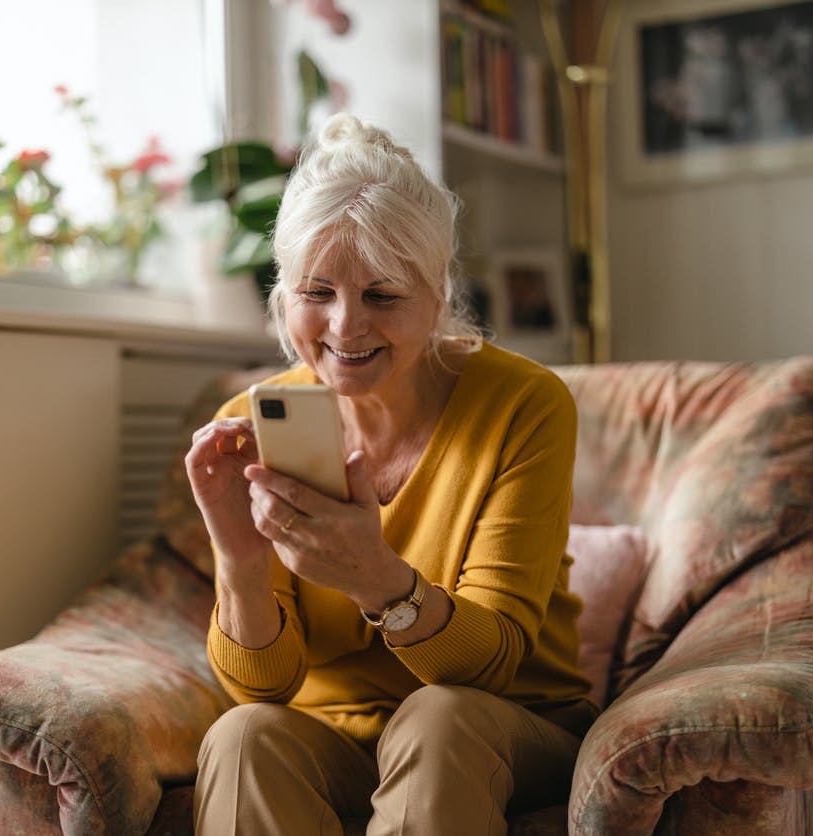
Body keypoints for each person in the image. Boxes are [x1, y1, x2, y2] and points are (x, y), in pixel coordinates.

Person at [185, 113, 596, 835]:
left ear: (437, 298)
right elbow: (264, 686)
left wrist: (376, 577)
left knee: (438, 719)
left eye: (382, 295)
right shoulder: (256, 419)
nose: (345, 328)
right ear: (283, 299)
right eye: (317, 293)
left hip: (505, 724)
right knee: (242, 736)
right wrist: (242, 563)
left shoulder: (524, 406)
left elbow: (491, 663)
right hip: (335, 737)